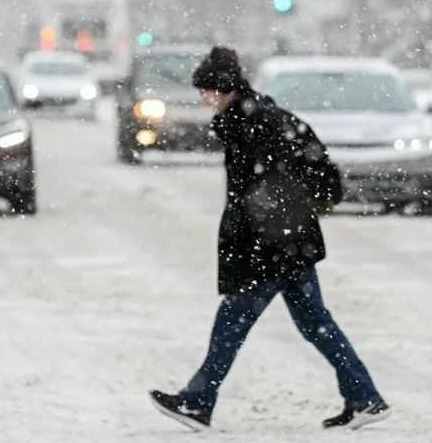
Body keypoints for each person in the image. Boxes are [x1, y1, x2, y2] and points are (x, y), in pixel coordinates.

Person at [148, 46, 390, 431]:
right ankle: (364, 396)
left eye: (206, 89)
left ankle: (197, 401)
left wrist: (268, 231)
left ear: (224, 88)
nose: (201, 97)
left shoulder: (254, 123)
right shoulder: (249, 118)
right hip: (285, 242)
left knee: (232, 322)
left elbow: (275, 183)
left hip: (272, 246)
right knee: (315, 324)